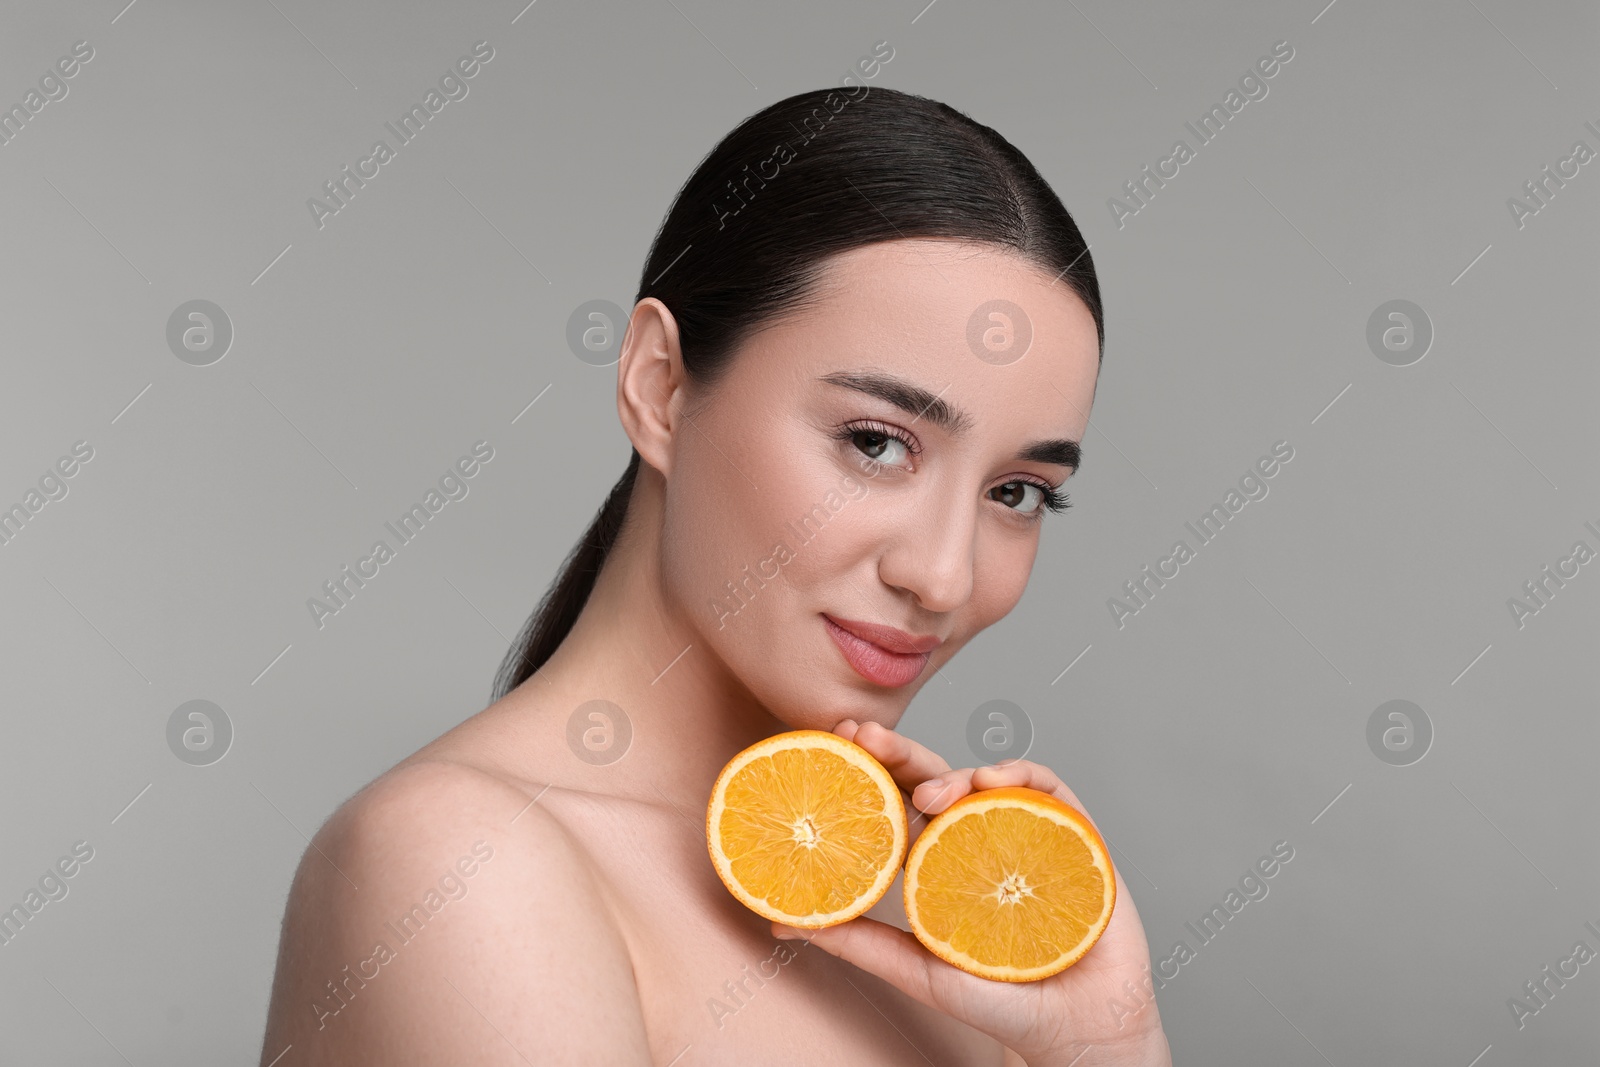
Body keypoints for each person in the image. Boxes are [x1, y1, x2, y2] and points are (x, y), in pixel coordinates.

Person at [260, 85, 1172, 1066]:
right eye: (874, 441)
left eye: (1019, 492)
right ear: (660, 385)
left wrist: (1106, 1044)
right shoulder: (458, 865)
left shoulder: (940, 956)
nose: (943, 575)